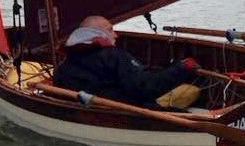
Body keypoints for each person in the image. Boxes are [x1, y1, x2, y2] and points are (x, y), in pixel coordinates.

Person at [54, 15, 200, 107]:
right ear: (97, 33)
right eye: (110, 30)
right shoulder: (113, 56)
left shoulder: (65, 64)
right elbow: (145, 88)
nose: (116, 35)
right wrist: (181, 69)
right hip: (123, 114)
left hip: (87, 112)